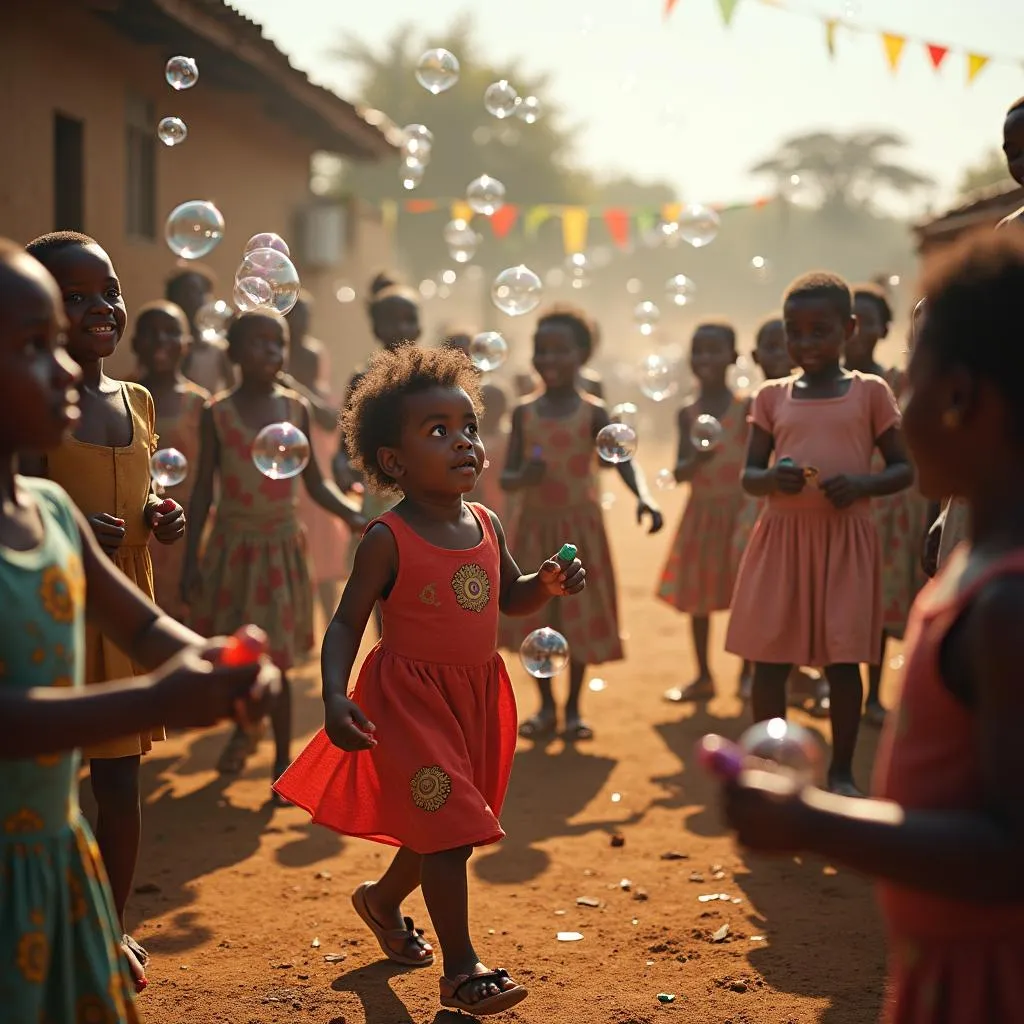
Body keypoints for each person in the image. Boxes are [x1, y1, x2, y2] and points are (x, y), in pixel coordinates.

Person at [721, 229, 1024, 1024]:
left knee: (844, 657)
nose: (898, 397)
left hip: (988, 984)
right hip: (950, 970)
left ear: (959, 399)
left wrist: (812, 820)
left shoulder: (1004, 606)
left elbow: (1009, 849)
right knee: (775, 660)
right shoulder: (981, 577)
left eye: (911, 380)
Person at [0, 238, 276, 1016]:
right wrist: (161, 694)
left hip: (47, 861)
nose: (65, 363)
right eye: (36, 343)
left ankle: (110, 924)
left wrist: (218, 662)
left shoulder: (47, 514)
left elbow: (147, 626)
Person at [274, 344, 586, 1017]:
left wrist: (546, 585)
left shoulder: (486, 522)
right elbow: (344, 624)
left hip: (475, 696)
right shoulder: (387, 537)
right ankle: (462, 969)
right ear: (393, 462)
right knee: (449, 830)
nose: (464, 442)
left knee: (442, 823)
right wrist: (333, 694)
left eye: (468, 426)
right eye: (438, 431)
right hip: (409, 705)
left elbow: (510, 596)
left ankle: (382, 901)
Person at [20, 231, 187, 971]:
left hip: (122, 603)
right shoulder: (34, 403)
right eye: (75, 297)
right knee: (40, 781)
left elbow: (142, 485)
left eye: (109, 290)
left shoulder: (138, 400)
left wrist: (159, 511)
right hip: (49, 610)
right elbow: (24, 488)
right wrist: (73, 524)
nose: (100, 308)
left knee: (118, 782)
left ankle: (108, 927)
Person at [725, 272, 913, 795]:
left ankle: (841, 772)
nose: (805, 343)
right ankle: (769, 773)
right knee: (769, 660)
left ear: (850, 329)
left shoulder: (871, 393)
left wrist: (862, 484)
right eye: (795, 332)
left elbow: (902, 468)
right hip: (782, 539)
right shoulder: (769, 396)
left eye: (820, 331)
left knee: (843, 660)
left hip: (845, 540)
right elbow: (749, 475)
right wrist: (773, 480)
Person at [182, 309, 365, 798]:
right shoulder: (216, 412)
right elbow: (202, 490)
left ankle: (283, 765)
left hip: (281, 548)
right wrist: (189, 561)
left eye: (277, 343)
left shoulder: (294, 409)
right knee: (240, 652)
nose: (272, 352)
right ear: (234, 353)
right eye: (259, 343)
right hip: (231, 549)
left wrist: (349, 513)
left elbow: (315, 482)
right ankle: (246, 730)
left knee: (279, 658)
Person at [499, 305, 663, 741]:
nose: (548, 359)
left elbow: (623, 461)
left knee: (577, 616)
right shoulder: (523, 412)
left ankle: (572, 709)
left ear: (583, 355)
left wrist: (644, 496)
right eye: (541, 350)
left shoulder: (593, 411)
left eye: (560, 350)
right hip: (535, 529)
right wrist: (523, 477)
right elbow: (506, 475)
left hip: (578, 534)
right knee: (538, 619)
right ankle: (546, 708)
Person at [845, 284, 930, 725]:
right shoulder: (831, 386)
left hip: (894, 508)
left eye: (870, 320)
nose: (860, 330)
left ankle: (872, 696)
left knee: (881, 607)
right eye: (853, 320)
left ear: (884, 330)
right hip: (844, 508)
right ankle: (836, 685)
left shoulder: (896, 383)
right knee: (843, 604)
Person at [656, 321, 748, 701]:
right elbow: (678, 471)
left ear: (734, 357)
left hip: (742, 514)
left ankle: (748, 672)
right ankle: (704, 675)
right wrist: (697, 458)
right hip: (703, 513)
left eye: (714, 350)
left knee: (747, 595)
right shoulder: (686, 412)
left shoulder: (747, 408)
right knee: (699, 597)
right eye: (698, 351)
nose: (705, 358)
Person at [132, 301, 209, 621]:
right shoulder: (124, 394)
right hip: (135, 526)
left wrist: (194, 555)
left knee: (183, 614)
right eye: (151, 334)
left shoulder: (202, 404)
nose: (161, 340)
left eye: (170, 333)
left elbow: (207, 478)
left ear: (187, 345)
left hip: (186, 529)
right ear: (135, 344)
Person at [283, 291, 350, 625]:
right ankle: (302, 626)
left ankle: (331, 623)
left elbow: (326, 415)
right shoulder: (274, 354)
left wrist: (293, 384)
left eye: (305, 315)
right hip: (283, 457)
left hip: (315, 454)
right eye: (294, 315)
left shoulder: (311, 358)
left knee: (323, 544)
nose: (299, 322)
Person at [441, 327, 511, 522]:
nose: (466, 364)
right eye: (457, 358)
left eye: (471, 356)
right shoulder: (438, 402)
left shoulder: (492, 395)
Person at [165, 264, 234, 395]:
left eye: (198, 291)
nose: (191, 298)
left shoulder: (219, 350)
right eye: (184, 292)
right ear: (172, 299)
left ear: (209, 299)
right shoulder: (163, 347)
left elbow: (234, 393)